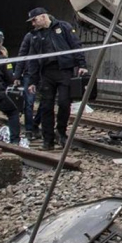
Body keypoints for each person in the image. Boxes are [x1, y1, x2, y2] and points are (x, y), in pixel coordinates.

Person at [21, 8, 87, 151]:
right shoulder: (35, 36)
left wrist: (82, 64)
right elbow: (32, 60)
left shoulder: (63, 27)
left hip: (64, 70)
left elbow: (75, 45)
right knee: (46, 107)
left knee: (64, 103)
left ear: (43, 17)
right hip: (46, 73)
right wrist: (32, 81)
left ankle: (61, 132)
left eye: (34, 20)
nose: (33, 24)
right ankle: (48, 139)